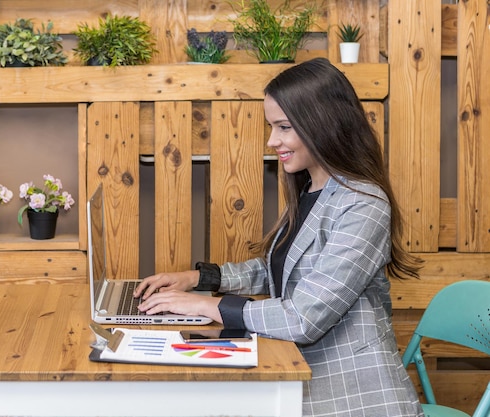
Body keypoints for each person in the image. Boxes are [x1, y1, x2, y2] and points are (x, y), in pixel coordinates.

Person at [134, 57, 424, 417]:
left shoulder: (363, 205)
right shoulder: (313, 189)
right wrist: (199, 279)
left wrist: (203, 306)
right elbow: (284, 269)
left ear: (324, 124)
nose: (273, 140)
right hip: (294, 367)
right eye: (272, 126)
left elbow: (303, 317)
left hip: (352, 393)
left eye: (284, 127)